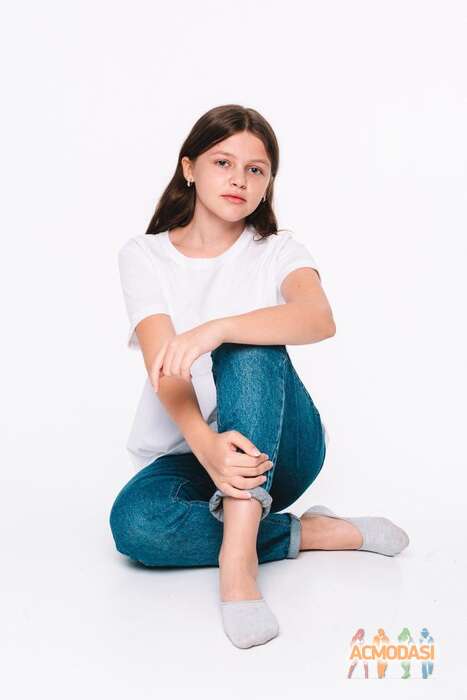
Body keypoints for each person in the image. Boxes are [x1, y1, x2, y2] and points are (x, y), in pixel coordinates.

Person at [109, 104, 410, 649]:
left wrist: (218, 329)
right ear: (189, 168)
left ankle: (239, 561)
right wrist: (208, 448)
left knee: (248, 343)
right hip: (192, 453)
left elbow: (318, 318)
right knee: (135, 526)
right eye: (223, 163)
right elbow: (165, 371)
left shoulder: (279, 250)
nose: (239, 180)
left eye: (256, 169)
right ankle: (308, 532)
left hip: (281, 452)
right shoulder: (144, 255)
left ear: (269, 182)